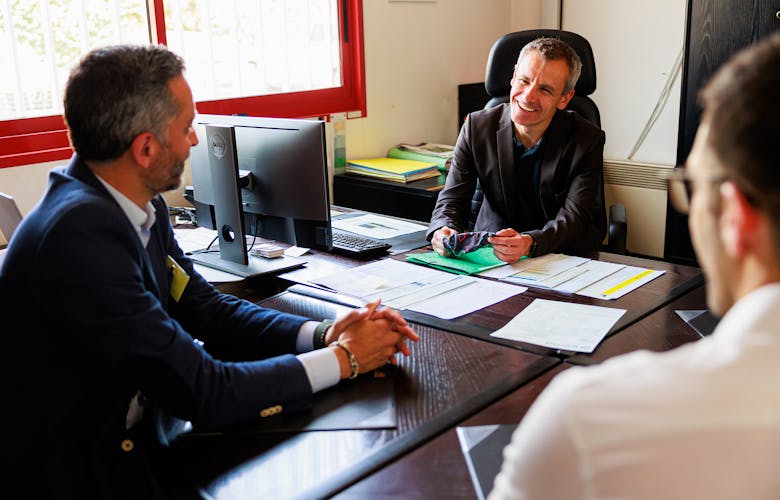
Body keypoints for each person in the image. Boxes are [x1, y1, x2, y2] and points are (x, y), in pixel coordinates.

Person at [0, 44, 418, 499]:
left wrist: (324, 333)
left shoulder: (137, 203)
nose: (195, 140)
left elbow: (205, 309)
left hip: (137, 439)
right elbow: (203, 391)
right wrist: (346, 359)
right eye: (186, 127)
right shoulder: (78, 237)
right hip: (76, 472)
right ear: (145, 148)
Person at [489, 32, 780, 499]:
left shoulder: (590, 417)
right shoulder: (481, 127)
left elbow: (581, 217)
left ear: (736, 217)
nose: (529, 95)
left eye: (693, 187)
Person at [428, 37, 606, 263]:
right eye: (524, 80)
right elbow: (451, 199)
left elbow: (574, 218)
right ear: (513, 77)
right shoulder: (476, 127)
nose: (528, 96)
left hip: (559, 257)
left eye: (545, 89)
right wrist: (443, 230)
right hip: (490, 255)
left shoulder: (586, 139)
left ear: (564, 98)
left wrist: (530, 243)